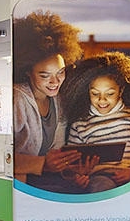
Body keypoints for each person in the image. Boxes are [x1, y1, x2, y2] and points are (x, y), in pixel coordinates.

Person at [13, 10, 83, 183]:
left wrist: (72, 171)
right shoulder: (18, 99)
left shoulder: (57, 101)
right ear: (27, 72)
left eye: (61, 72)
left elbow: (56, 153)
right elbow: (3, 154)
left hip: (43, 182)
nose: (55, 82)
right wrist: (43, 163)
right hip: (19, 185)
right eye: (45, 75)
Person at [61, 52, 130, 192]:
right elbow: (70, 165)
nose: (102, 100)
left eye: (109, 94)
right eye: (95, 93)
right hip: (101, 180)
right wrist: (78, 177)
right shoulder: (80, 125)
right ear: (87, 92)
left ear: (121, 91)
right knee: (103, 186)